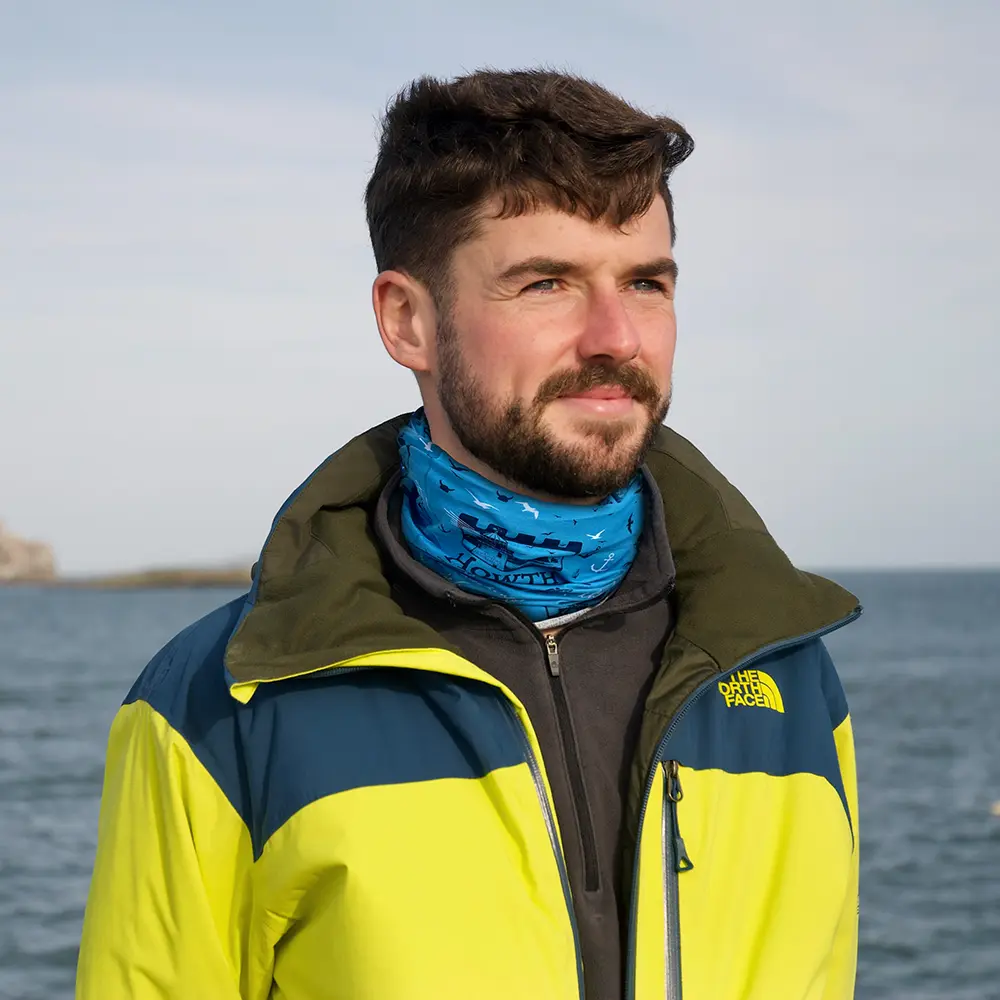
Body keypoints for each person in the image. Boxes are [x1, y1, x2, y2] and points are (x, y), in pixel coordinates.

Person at [76, 69, 862, 1000]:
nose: (617, 337)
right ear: (407, 320)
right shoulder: (219, 705)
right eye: (547, 283)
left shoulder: (786, 671)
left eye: (646, 283)